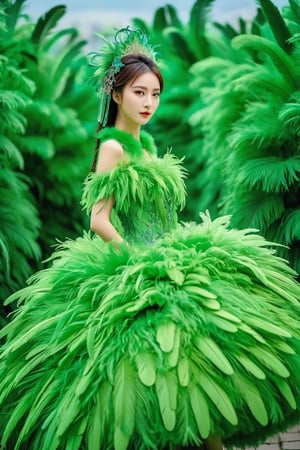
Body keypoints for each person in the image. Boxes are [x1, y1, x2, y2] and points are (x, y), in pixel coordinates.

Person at [0, 27, 300, 450]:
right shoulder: (112, 148)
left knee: (198, 370)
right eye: (140, 93)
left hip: (171, 257)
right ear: (117, 95)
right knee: (158, 377)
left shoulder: (147, 145)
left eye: (155, 94)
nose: (149, 103)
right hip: (135, 263)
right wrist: (134, 259)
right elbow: (98, 219)